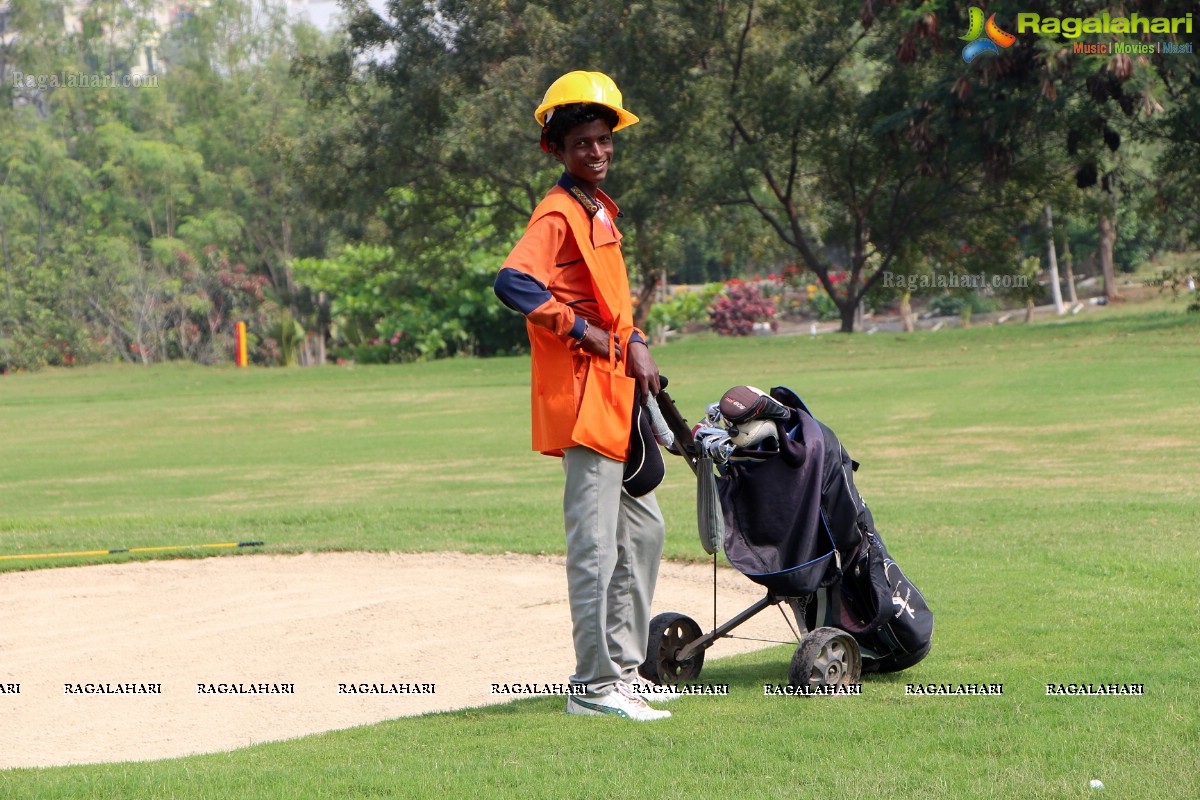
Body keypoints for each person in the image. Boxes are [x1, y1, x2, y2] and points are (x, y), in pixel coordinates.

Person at [494, 71, 675, 721]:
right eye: (582, 143)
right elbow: (513, 283)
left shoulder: (599, 210)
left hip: (616, 392)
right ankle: (593, 686)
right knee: (595, 545)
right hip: (581, 396)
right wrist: (580, 331)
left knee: (644, 531)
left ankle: (623, 668)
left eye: (603, 140)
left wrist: (638, 342)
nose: (597, 152)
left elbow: (612, 304)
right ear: (557, 149)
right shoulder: (559, 211)